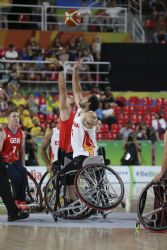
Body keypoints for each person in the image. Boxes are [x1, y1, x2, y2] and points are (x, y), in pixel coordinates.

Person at [0, 111, 29, 210]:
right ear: (8, 119)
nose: (17, 118)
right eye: (14, 116)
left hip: (16, 161)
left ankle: (21, 200)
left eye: (18, 116)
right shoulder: (3, 132)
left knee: (23, 173)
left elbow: (22, 150)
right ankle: (16, 200)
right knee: (16, 177)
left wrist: (23, 164)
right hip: (5, 162)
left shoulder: (21, 133)